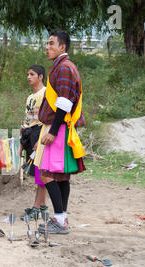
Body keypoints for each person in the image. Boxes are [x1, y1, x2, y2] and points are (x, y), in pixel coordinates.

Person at [35, 30, 86, 234]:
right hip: (62, 128)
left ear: (62, 47)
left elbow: (64, 103)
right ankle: (61, 219)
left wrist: (53, 131)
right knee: (62, 177)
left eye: (51, 43)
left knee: (47, 174)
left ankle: (59, 220)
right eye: (47, 44)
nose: (47, 47)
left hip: (60, 128)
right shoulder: (62, 66)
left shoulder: (64, 68)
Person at [19, 65, 48, 221]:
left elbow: (46, 119)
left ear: (41, 76)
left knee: (41, 174)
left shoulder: (45, 93)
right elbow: (28, 118)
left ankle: (37, 207)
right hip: (29, 133)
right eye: (27, 74)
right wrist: (22, 139)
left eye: (32, 74)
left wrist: (40, 139)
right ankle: (41, 206)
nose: (29, 77)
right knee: (36, 172)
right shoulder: (30, 97)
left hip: (39, 133)